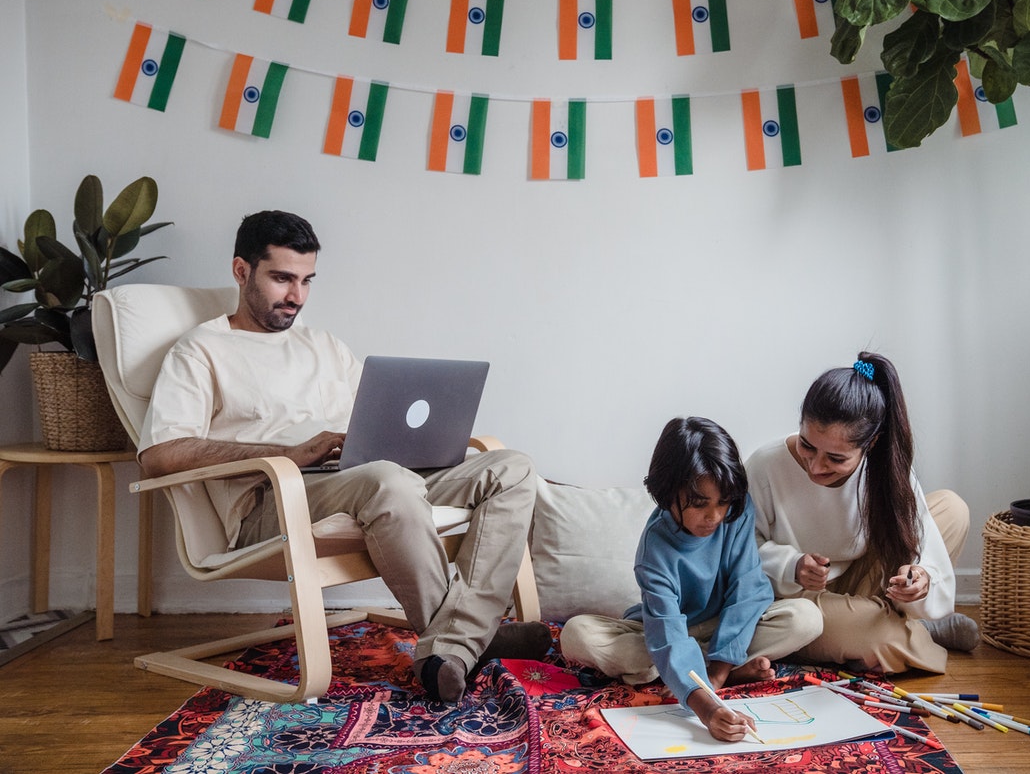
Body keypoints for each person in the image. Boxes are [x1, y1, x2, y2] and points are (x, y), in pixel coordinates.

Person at [137, 210, 549, 704]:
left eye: (307, 280)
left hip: (364, 475)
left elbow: (377, 421)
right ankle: (472, 639)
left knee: (512, 467)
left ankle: (456, 641)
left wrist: (423, 443)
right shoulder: (201, 350)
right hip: (276, 498)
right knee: (388, 482)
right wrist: (287, 453)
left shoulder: (323, 345)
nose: (297, 296)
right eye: (282, 278)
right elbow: (159, 455)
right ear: (241, 270)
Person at [561, 416, 822, 742]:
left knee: (806, 618)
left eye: (722, 502)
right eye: (699, 504)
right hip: (663, 629)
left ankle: (696, 668)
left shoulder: (737, 513)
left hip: (722, 625)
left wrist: (716, 673)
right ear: (668, 491)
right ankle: (690, 667)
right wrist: (709, 709)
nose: (714, 516)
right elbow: (666, 630)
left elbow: (748, 589)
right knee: (577, 635)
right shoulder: (656, 546)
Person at [746, 352, 977, 675]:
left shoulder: (883, 469)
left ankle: (882, 626)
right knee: (882, 638)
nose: (815, 466)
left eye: (835, 459)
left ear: (871, 444)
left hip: (862, 581)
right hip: (797, 601)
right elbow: (735, 550)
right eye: (807, 446)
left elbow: (919, 542)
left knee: (951, 509)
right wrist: (791, 565)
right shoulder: (765, 466)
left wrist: (920, 580)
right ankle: (912, 630)